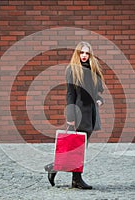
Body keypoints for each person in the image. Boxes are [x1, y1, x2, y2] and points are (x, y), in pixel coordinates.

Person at [44, 41, 104, 189]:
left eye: (87, 53)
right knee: (77, 148)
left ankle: (71, 177)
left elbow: (96, 91)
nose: (84, 56)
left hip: (91, 112)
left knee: (81, 148)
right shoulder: (72, 70)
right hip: (78, 112)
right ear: (77, 54)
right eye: (81, 53)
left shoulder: (94, 68)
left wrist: (99, 99)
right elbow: (70, 94)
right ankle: (61, 171)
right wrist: (70, 117)